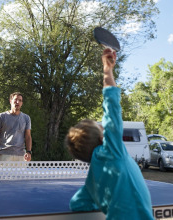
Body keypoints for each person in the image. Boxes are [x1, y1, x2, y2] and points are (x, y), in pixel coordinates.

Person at [65, 48, 154, 220]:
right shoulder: (113, 152)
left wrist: (98, 200)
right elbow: (111, 105)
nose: (104, 125)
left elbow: (77, 203)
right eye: (100, 126)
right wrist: (107, 69)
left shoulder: (92, 182)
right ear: (102, 138)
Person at [0, 92, 32, 162]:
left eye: (20, 100)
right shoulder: (2, 116)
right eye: (15, 99)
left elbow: (28, 136)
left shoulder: (26, 118)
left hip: (21, 156)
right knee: (3, 173)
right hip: (4, 155)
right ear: (10, 101)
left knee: (20, 173)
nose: (17, 102)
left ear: (22, 103)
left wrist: (29, 152)